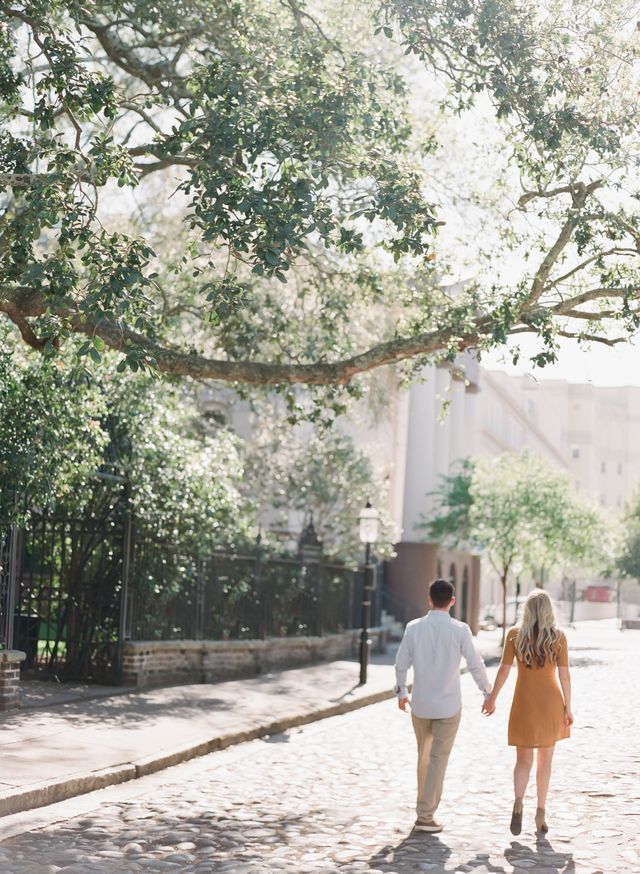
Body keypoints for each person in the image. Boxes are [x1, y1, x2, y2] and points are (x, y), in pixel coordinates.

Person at [394, 578, 492, 833]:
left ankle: (423, 810)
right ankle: (425, 815)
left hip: (421, 704)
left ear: (429, 599)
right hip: (448, 706)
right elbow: (474, 663)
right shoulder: (460, 630)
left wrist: (402, 691)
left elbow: (400, 662)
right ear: (452, 601)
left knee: (424, 758)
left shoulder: (413, 628)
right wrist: (487, 693)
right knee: (438, 760)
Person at [482, 589, 573, 835]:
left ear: (527, 610)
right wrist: (568, 706)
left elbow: (504, 670)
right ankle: (540, 813)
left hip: (524, 703)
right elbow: (564, 675)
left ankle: (518, 802)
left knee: (523, 760)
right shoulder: (559, 637)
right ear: (548, 611)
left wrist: (492, 698)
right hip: (551, 703)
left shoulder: (515, 635)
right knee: (546, 761)